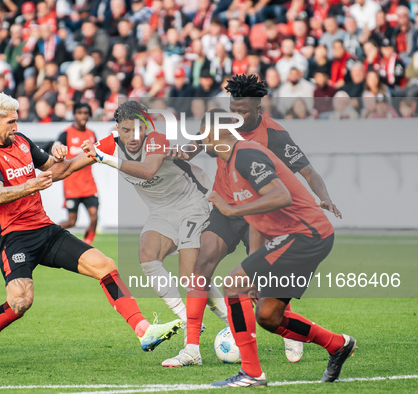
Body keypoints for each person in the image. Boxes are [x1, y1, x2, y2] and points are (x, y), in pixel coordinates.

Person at [0, 92, 182, 370]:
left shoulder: (21, 141)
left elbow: (59, 170)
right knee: (20, 302)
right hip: (10, 238)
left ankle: (143, 330)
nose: (16, 126)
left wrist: (103, 147)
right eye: (11, 121)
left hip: (43, 229)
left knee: (105, 265)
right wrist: (32, 184)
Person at [166, 74, 342, 367]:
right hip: (226, 205)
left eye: (243, 111)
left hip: (260, 213)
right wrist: (178, 153)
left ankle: (287, 330)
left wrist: (325, 198)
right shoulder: (220, 123)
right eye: (233, 109)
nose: (236, 115)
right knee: (203, 262)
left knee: (257, 283)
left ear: (259, 108)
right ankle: (192, 348)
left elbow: (309, 172)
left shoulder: (274, 135)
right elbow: (193, 147)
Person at [71, 101, 229, 366]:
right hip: (161, 211)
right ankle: (188, 323)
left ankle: (227, 327)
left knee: (191, 277)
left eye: (137, 129)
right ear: (117, 129)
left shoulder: (155, 139)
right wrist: (40, 169)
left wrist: (103, 158)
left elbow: (147, 171)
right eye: (125, 130)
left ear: (146, 126)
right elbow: (68, 167)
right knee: (147, 256)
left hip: (193, 204)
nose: (133, 136)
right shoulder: (110, 144)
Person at [200, 123, 356, 387]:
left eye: (204, 133)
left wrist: (230, 211)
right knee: (269, 316)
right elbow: (257, 220)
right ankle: (338, 344)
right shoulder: (227, 168)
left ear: (222, 134)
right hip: (300, 237)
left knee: (233, 285)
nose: (201, 139)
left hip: (306, 234)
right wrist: (257, 272)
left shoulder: (247, 153)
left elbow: (281, 196)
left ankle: (251, 373)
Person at [53, 103, 100, 245]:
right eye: (80, 112)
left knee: (94, 217)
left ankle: (87, 242)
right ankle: (49, 232)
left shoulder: (91, 134)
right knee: (71, 221)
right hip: (71, 185)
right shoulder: (65, 134)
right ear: (74, 115)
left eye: (86, 113)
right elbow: (55, 149)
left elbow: (98, 154)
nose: (83, 115)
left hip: (89, 185)